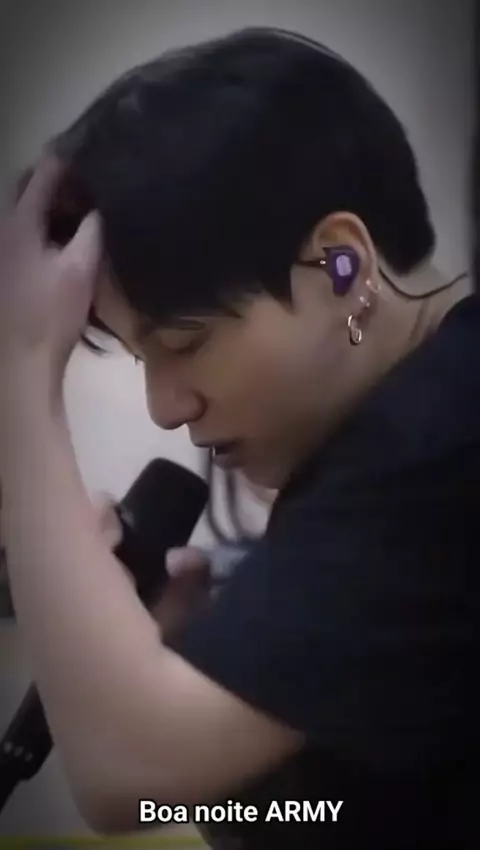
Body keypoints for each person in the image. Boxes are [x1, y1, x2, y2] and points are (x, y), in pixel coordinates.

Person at [0, 26, 478, 850]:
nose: (165, 407)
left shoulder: (442, 437)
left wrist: (19, 371)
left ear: (341, 267)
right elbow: (309, 821)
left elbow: (124, 781)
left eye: (185, 342)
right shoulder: (381, 444)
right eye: (143, 356)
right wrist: (187, 673)